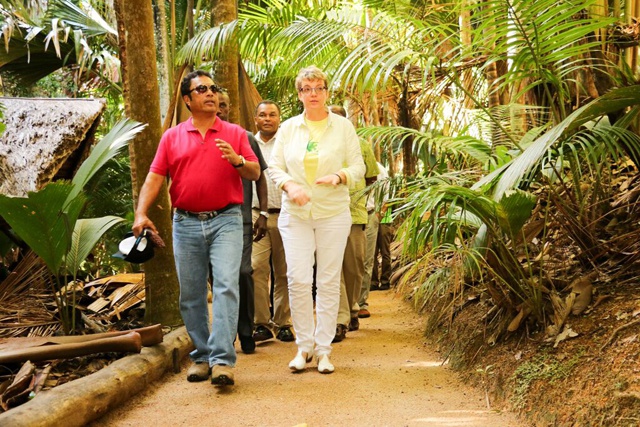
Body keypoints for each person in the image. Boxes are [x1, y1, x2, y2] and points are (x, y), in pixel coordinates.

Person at [132, 70, 260, 387]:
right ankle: (202, 356)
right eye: (202, 89)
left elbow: (255, 173)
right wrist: (140, 213)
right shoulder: (172, 137)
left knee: (226, 286)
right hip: (186, 223)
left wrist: (238, 161)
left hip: (226, 219)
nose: (211, 93)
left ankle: (222, 362)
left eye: (213, 88)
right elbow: (155, 177)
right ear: (188, 100)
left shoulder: (234, 132)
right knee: (190, 295)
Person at [269, 66, 365, 374]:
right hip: (295, 215)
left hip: (333, 213)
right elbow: (275, 166)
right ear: (299, 94)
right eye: (307, 88)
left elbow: (359, 166)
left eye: (318, 88)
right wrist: (289, 185)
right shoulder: (288, 128)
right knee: (298, 279)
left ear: (326, 92)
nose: (313, 93)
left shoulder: (342, 127)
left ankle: (324, 350)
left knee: (327, 280)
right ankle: (304, 347)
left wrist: (340, 175)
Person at [217, 91, 268, 354]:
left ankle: (246, 331)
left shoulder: (244, 137)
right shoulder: (196, 138)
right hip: (208, 222)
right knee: (219, 279)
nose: (218, 109)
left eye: (223, 104)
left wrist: (263, 213)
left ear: (229, 107)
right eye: (215, 104)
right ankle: (224, 334)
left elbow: (260, 176)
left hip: (241, 219)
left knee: (242, 273)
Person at [329, 105, 379, 343]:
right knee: (333, 267)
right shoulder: (321, 144)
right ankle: (340, 319)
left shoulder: (362, 145)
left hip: (355, 213)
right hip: (327, 212)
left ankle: (352, 307)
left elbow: (371, 177)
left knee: (354, 265)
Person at [250, 100, 294, 343]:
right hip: (257, 215)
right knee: (256, 268)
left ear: (279, 118)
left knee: (285, 271)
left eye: (272, 115)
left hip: (286, 212)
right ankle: (261, 323)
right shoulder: (248, 143)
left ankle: (283, 322)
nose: (267, 119)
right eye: (262, 115)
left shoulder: (287, 144)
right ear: (255, 118)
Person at [358, 162, 389, 316]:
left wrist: (378, 215)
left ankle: (361, 302)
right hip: (348, 215)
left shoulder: (379, 169)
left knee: (367, 260)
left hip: (370, 215)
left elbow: (387, 195)